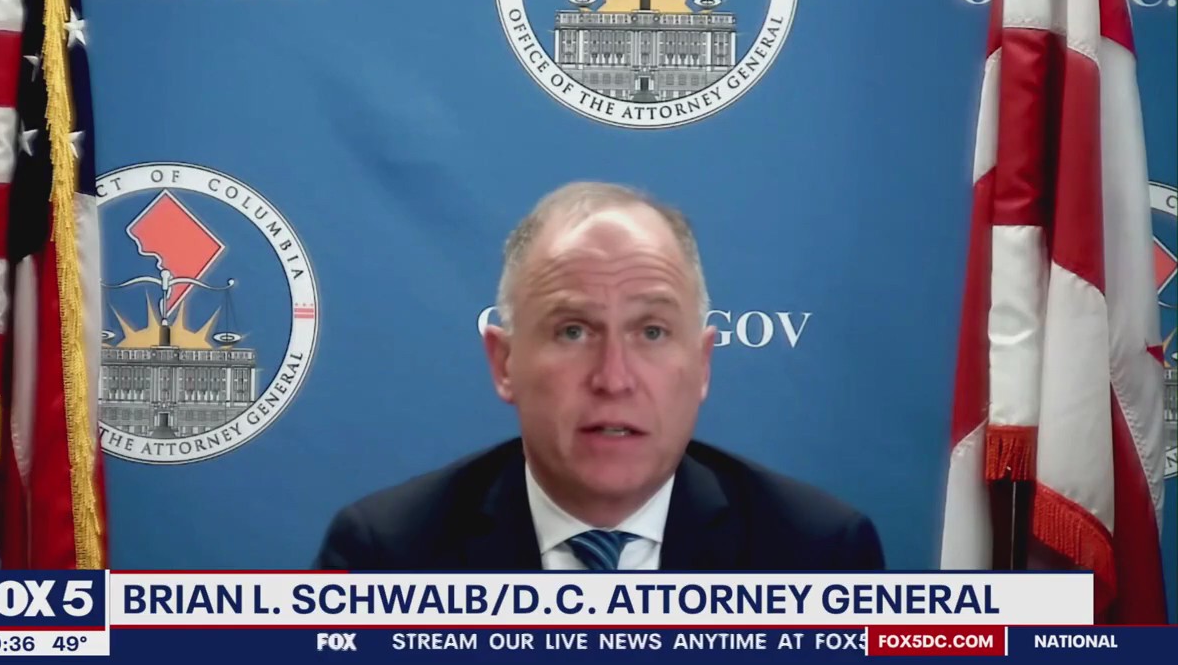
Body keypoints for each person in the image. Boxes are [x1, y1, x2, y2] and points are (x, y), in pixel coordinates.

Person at [313, 181, 885, 571]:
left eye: (652, 332)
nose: (614, 379)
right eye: (573, 331)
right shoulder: (386, 556)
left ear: (703, 364)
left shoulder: (817, 553)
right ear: (503, 363)